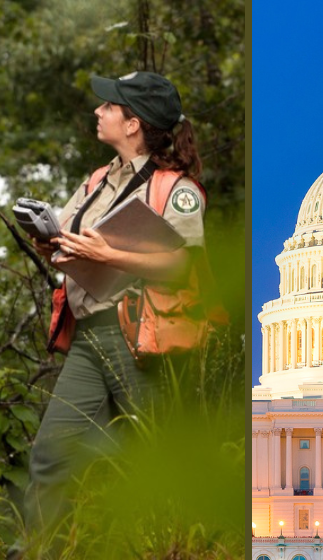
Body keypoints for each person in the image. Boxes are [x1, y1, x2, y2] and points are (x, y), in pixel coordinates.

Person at [18, 71, 208, 549]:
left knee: (150, 456)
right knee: (50, 454)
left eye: (109, 106)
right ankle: (36, 549)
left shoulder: (174, 189)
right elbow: (69, 233)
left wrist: (107, 256)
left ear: (133, 124)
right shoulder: (100, 179)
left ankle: (168, 547)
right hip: (89, 337)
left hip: (139, 340)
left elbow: (183, 264)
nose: (99, 110)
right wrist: (53, 243)